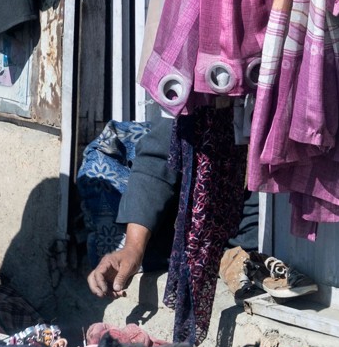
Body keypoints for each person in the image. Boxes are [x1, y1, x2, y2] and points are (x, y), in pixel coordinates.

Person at [87, 114, 259, 299]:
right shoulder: (204, 105)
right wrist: (133, 247)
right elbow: (155, 164)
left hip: (231, 233)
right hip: (177, 219)